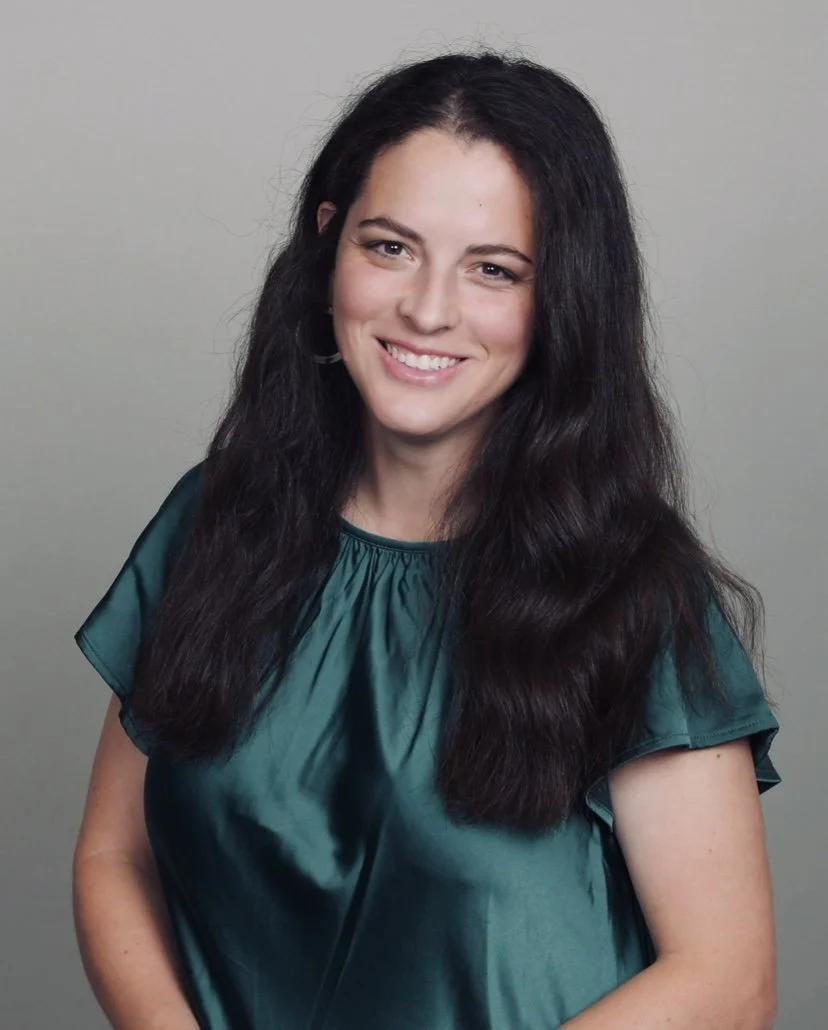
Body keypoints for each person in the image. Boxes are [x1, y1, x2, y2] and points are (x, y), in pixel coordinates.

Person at [72, 49, 780, 1030]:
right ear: (328, 246)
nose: (428, 309)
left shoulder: (632, 588)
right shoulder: (212, 522)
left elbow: (727, 982)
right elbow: (117, 855)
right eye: (391, 247)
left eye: (494, 269)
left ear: (559, 299)